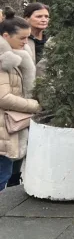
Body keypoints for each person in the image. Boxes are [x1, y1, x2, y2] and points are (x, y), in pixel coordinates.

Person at [0, 12, 39, 191]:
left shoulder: (16, 56)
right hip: (3, 128)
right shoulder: (4, 60)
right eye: (21, 38)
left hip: (8, 127)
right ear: (6, 36)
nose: (25, 42)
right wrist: (34, 106)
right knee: (2, 176)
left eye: (27, 38)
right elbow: (3, 97)